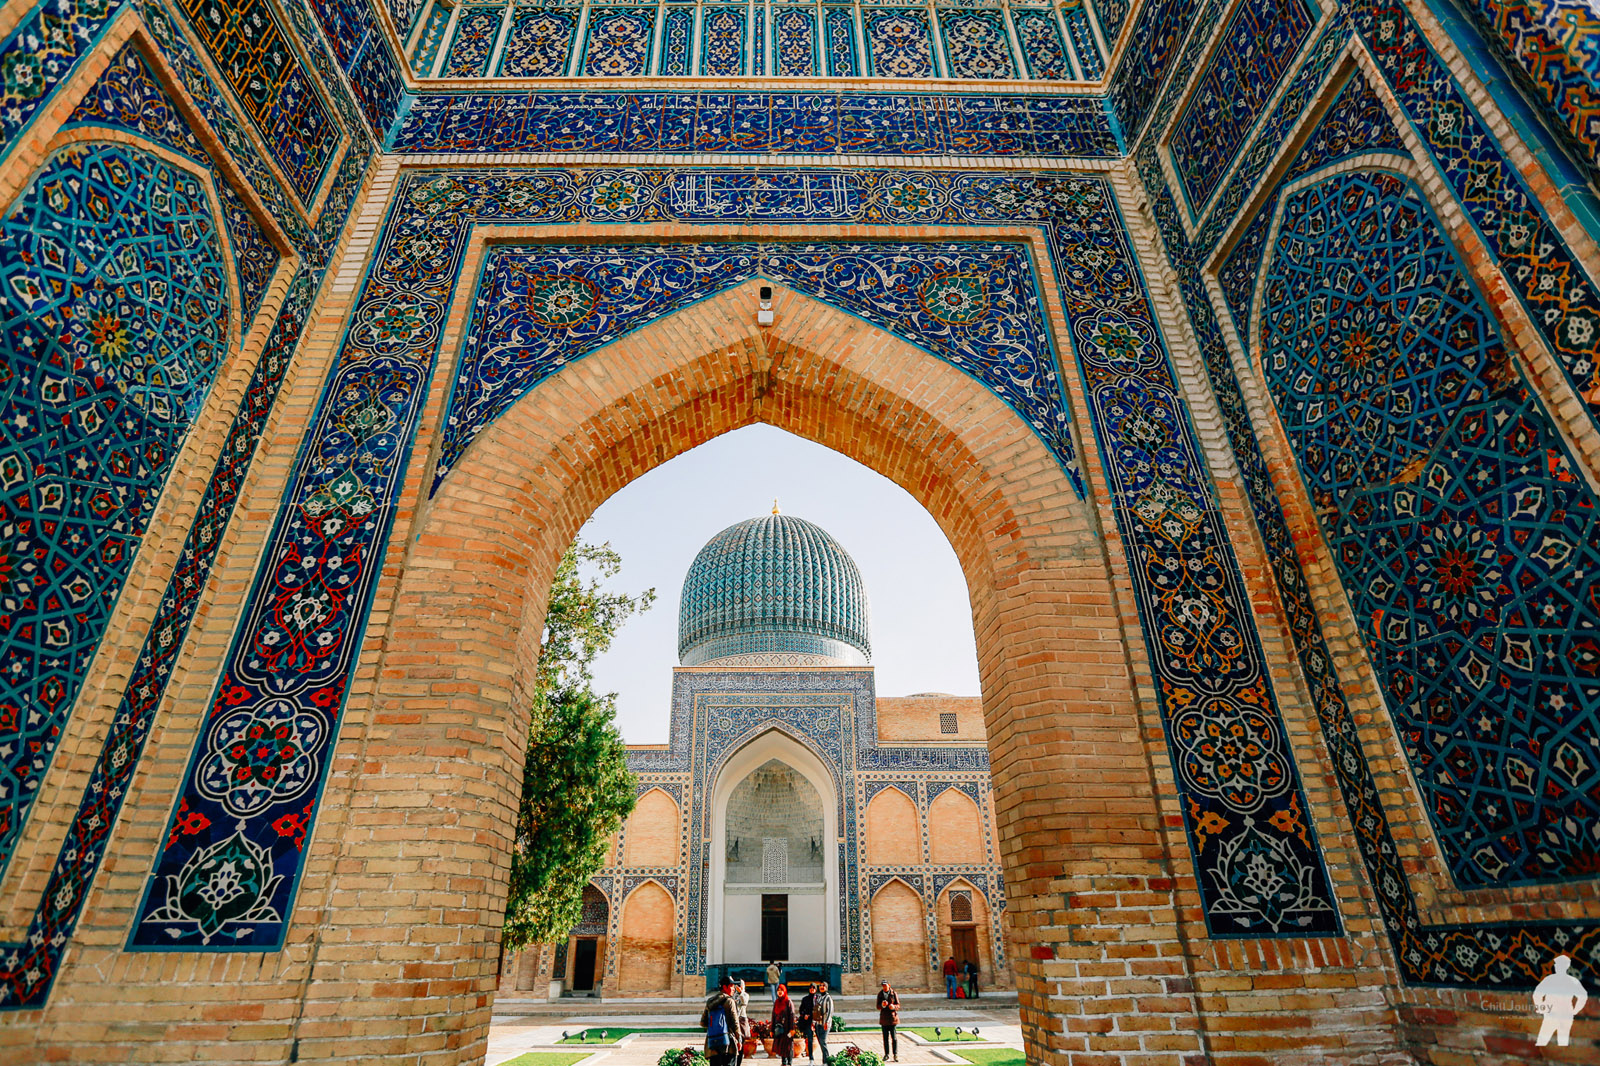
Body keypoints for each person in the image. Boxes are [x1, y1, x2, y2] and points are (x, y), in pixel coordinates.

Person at [1534, 954, 1588, 1047]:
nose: (1557, 966)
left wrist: (1575, 1010)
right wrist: (1541, 1007)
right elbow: (1537, 994)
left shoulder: (1571, 981)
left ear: (1566, 967)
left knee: (1562, 1042)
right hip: (1552, 1015)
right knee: (1542, 1041)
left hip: (1564, 1015)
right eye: (1556, 964)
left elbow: (1583, 996)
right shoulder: (1550, 980)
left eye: (1559, 965)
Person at [702, 975, 742, 1066]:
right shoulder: (729, 1001)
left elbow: (703, 1022)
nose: (734, 989)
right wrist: (739, 1039)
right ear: (725, 987)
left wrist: (715, 1027)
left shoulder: (710, 1001)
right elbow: (735, 1023)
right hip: (728, 1043)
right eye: (732, 986)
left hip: (712, 1043)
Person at [772, 981, 798, 1066]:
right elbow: (773, 1016)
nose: (779, 992)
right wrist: (772, 1029)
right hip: (779, 1028)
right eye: (778, 990)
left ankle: (789, 1063)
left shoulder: (788, 1002)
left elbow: (792, 1015)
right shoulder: (776, 1002)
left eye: (781, 990)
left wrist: (792, 1029)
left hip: (787, 1028)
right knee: (781, 1045)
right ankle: (783, 1062)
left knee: (788, 1045)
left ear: (784, 991)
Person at [876, 979, 900, 1062]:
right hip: (884, 1019)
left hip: (892, 1018)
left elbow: (898, 1005)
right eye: (883, 986)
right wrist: (882, 1005)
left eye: (885, 986)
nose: (884, 987)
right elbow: (878, 1006)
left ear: (889, 985)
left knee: (894, 1038)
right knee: (885, 1038)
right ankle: (886, 1054)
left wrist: (893, 1007)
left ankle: (895, 1054)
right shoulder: (880, 994)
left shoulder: (893, 994)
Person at [811, 980, 834, 1065]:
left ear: (826, 987)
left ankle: (826, 1061)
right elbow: (815, 1011)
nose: (821, 987)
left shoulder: (828, 998)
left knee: (823, 1041)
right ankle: (825, 1060)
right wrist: (813, 1022)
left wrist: (826, 1022)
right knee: (820, 1042)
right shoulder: (819, 997)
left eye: (823, 986)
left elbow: (829, 1011)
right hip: (818, 1023)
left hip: (824, 1024)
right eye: (820, 985)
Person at [733, 979, 752, 1065]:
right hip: (733, 1020)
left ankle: (739, 1061)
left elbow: (744, 1002)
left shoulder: (745, 995)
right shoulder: (732, 995)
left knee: (740, 1042)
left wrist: (740, 993)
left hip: (741, 1021)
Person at [798, 983, 817, 1061]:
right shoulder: (805, 999)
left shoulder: (818, 998)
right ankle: (810, 1057)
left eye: (813, 988)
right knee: (809, 1039)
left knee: (816, 1039)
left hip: (815, 1021)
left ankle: (822, 1058)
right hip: (807, 1022)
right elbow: (801, 1009)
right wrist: (804, 1014)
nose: (812, 989)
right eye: (811, 988)